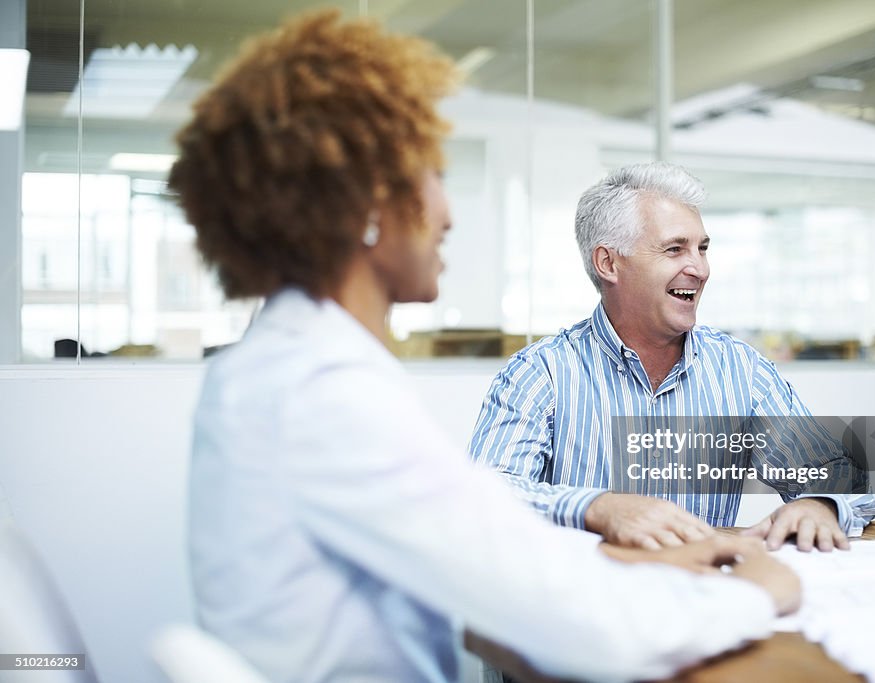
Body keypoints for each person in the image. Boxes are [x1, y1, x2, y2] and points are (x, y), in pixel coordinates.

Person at [170, 10, 800, 683]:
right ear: (367, 208)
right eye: (432, 175)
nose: (448, 211)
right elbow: (587, 627)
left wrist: (677, 561)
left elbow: (497, 551)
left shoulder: (284, 366)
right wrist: (754, 591)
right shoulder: (319, 391)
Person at [469, 162, 875, 553]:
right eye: (674, 249)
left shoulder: (739, 371)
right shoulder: (541, 374)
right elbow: (483, 496)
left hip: (702, 600)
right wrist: (598, 508)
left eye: (702, 248)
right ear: (608, 263)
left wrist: (819, 504)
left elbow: (838, 474)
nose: (699, 269)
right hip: (583, 606)